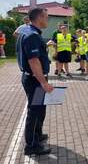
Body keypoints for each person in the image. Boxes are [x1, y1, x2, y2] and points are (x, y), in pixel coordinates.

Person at [16, 8, 53, 155]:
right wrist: (43, 82)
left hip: (33, 79)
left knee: (40, 108)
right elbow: (33, 61)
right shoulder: (32, 35)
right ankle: (31, 146)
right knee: (35, 110)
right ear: (39, 18)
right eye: (46, 17)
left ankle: (37, 136)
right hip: (35, 80)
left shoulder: (27, 33)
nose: (47, 20)